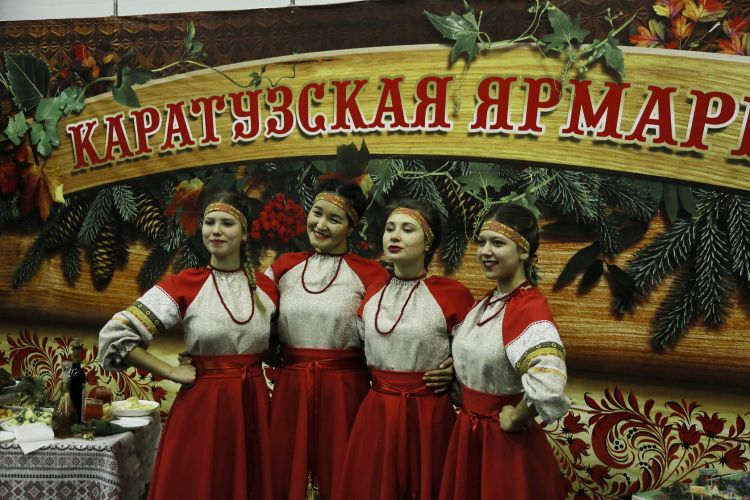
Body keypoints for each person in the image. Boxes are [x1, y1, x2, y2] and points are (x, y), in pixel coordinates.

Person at [267, 181, 454, 500]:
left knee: (348, 474)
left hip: (347, 392)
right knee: (284, 469)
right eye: (317, 213)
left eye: (334, 219)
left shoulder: (373, 276)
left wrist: (452, 366)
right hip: (292, 389)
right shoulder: (283, 267)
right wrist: (204, 353)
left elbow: (407, 328)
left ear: (352, 227)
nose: (321, 224)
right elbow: (250, 314)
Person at [99, 192, 278, 500]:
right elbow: (115, 334)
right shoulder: (184, 284)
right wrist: (171, 371)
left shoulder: (266, 288)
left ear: (245, 233)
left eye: (227, 223)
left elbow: (279, 346)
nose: (216, 230)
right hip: (203, 406)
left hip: (253, 404)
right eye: (209, 222)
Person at [335, 199, 475, 500]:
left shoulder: (453, 295)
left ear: (428, 242)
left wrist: (455, 369)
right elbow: (359, 353)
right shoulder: (372, 293)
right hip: (377, 413)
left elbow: (476, 354)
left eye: (407, 229)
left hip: (429, 416)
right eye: (390, 228)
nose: (395, 236)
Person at [439, 204, 569, 500]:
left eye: (497, 243)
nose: (485, 251)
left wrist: (517, 417)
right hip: (469, 434)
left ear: (523, 252)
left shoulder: (528, 308)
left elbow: (549, 381)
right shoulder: (487, 303)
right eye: (481, 242)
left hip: (503, 445)